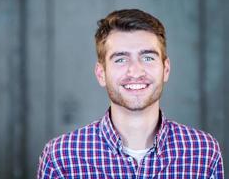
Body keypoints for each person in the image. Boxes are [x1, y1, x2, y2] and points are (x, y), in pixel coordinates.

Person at [37, 9, 224, 178]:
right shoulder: (61, 158)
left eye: (148, 57)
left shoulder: (203, 152)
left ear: (166, 69)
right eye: (120, 59)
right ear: (101, 74)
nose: (135, 71)